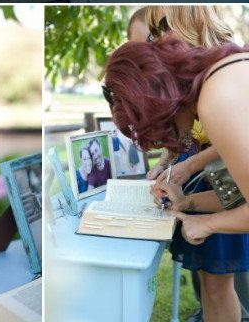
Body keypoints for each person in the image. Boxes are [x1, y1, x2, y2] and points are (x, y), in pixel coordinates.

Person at [103, 34, 249, 322]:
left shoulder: (215, 100)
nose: (167, 142)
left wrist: (206, 224)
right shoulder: (221, 74)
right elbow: (241, 195)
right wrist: (187, 203)